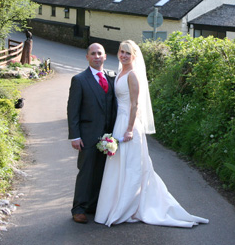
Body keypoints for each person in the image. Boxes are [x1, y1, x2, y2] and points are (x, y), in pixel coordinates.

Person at [94, 40, 209, 228]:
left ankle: (130, 206)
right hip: (119, 123)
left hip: (129, 126)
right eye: (121, 51)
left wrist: (129, 129)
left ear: (134, 56)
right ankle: (116, 204)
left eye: (127, 53)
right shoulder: (120, 72)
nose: (123, 55)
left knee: (132, 167)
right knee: (120, 165)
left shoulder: (132, 75)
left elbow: (134, 104)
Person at [67, 43, 117, 224]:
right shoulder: (79, 80)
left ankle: (93, 206)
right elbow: (73, 110)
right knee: (86, 172)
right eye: (93, 54)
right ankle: (78, 208)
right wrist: (75, 136)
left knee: (102, 172)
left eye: (100, 54)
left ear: (105, 57)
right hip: (87, 135)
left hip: (109, 137)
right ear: (87, 57)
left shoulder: (112, 78)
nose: (97, 56)